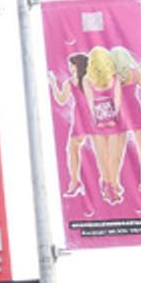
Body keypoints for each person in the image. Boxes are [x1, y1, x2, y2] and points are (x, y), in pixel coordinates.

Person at [85, 46, 124, 204]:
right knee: (113, 157)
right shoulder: (114, 78)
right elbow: (117, 100)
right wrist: (114, 117)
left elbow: (90, 103)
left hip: (97, 122)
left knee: (102, 157)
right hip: (113, 120)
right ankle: (113, 186)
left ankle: (108, 184)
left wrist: (96, 120)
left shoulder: (87, 80)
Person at [111, 45, 141, 193]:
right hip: (134, 108)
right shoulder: (134, 72)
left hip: (120, 111)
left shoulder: (112, 76)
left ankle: (115, 183)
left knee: (118, 148)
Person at [47, 52, 90, 197]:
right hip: (80, 115)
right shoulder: (71, 82)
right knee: (72, 148)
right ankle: (75, 181)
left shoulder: (89, 79)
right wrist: (53, 84)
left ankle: (78, 182)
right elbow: (61, 99)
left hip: (92, 113)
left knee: (97, 147)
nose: (70, 68)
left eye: (72, 65)